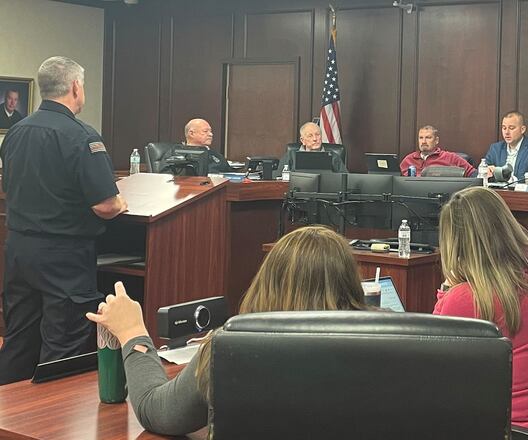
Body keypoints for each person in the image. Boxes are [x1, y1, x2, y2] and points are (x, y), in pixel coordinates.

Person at [86, 226, 367, 436]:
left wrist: (133, 331)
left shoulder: (230, 346)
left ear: (267, 281)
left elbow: (157, 412)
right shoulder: (394, 341)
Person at [0, 56, 127, 385]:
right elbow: (105, 205)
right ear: (75, 87)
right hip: (63, 256)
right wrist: (121, 202)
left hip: (18, 250)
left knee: (18, 342)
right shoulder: (82, 136)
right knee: (63, 345)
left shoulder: (16, 133)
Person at [432, 187, 528, 434]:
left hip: (503, 428)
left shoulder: (466, 297)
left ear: (457, 245)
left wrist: (446, 288)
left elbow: (430, 363)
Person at [484, 111, 528, 184]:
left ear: (522, 129)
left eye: (511, 128)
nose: (507, 132)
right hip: (498, 193)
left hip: (522, 194)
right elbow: (480, 173)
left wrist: (513, 180)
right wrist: (486, 172)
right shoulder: (495, 148)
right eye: (504, 128)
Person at [399, 125, 476, 176]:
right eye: (421, 138)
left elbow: (474, 174)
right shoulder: (409, 159)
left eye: (428, 137)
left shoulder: (450, 157)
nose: (424, 141)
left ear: (436, 140)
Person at [278, 122, 348, 174]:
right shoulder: (291, 156)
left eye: (317, 135)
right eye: (310, 136)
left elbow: (345, 180)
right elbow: (278, 179)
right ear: (302, 140)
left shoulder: (333, 157)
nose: (315, 139)